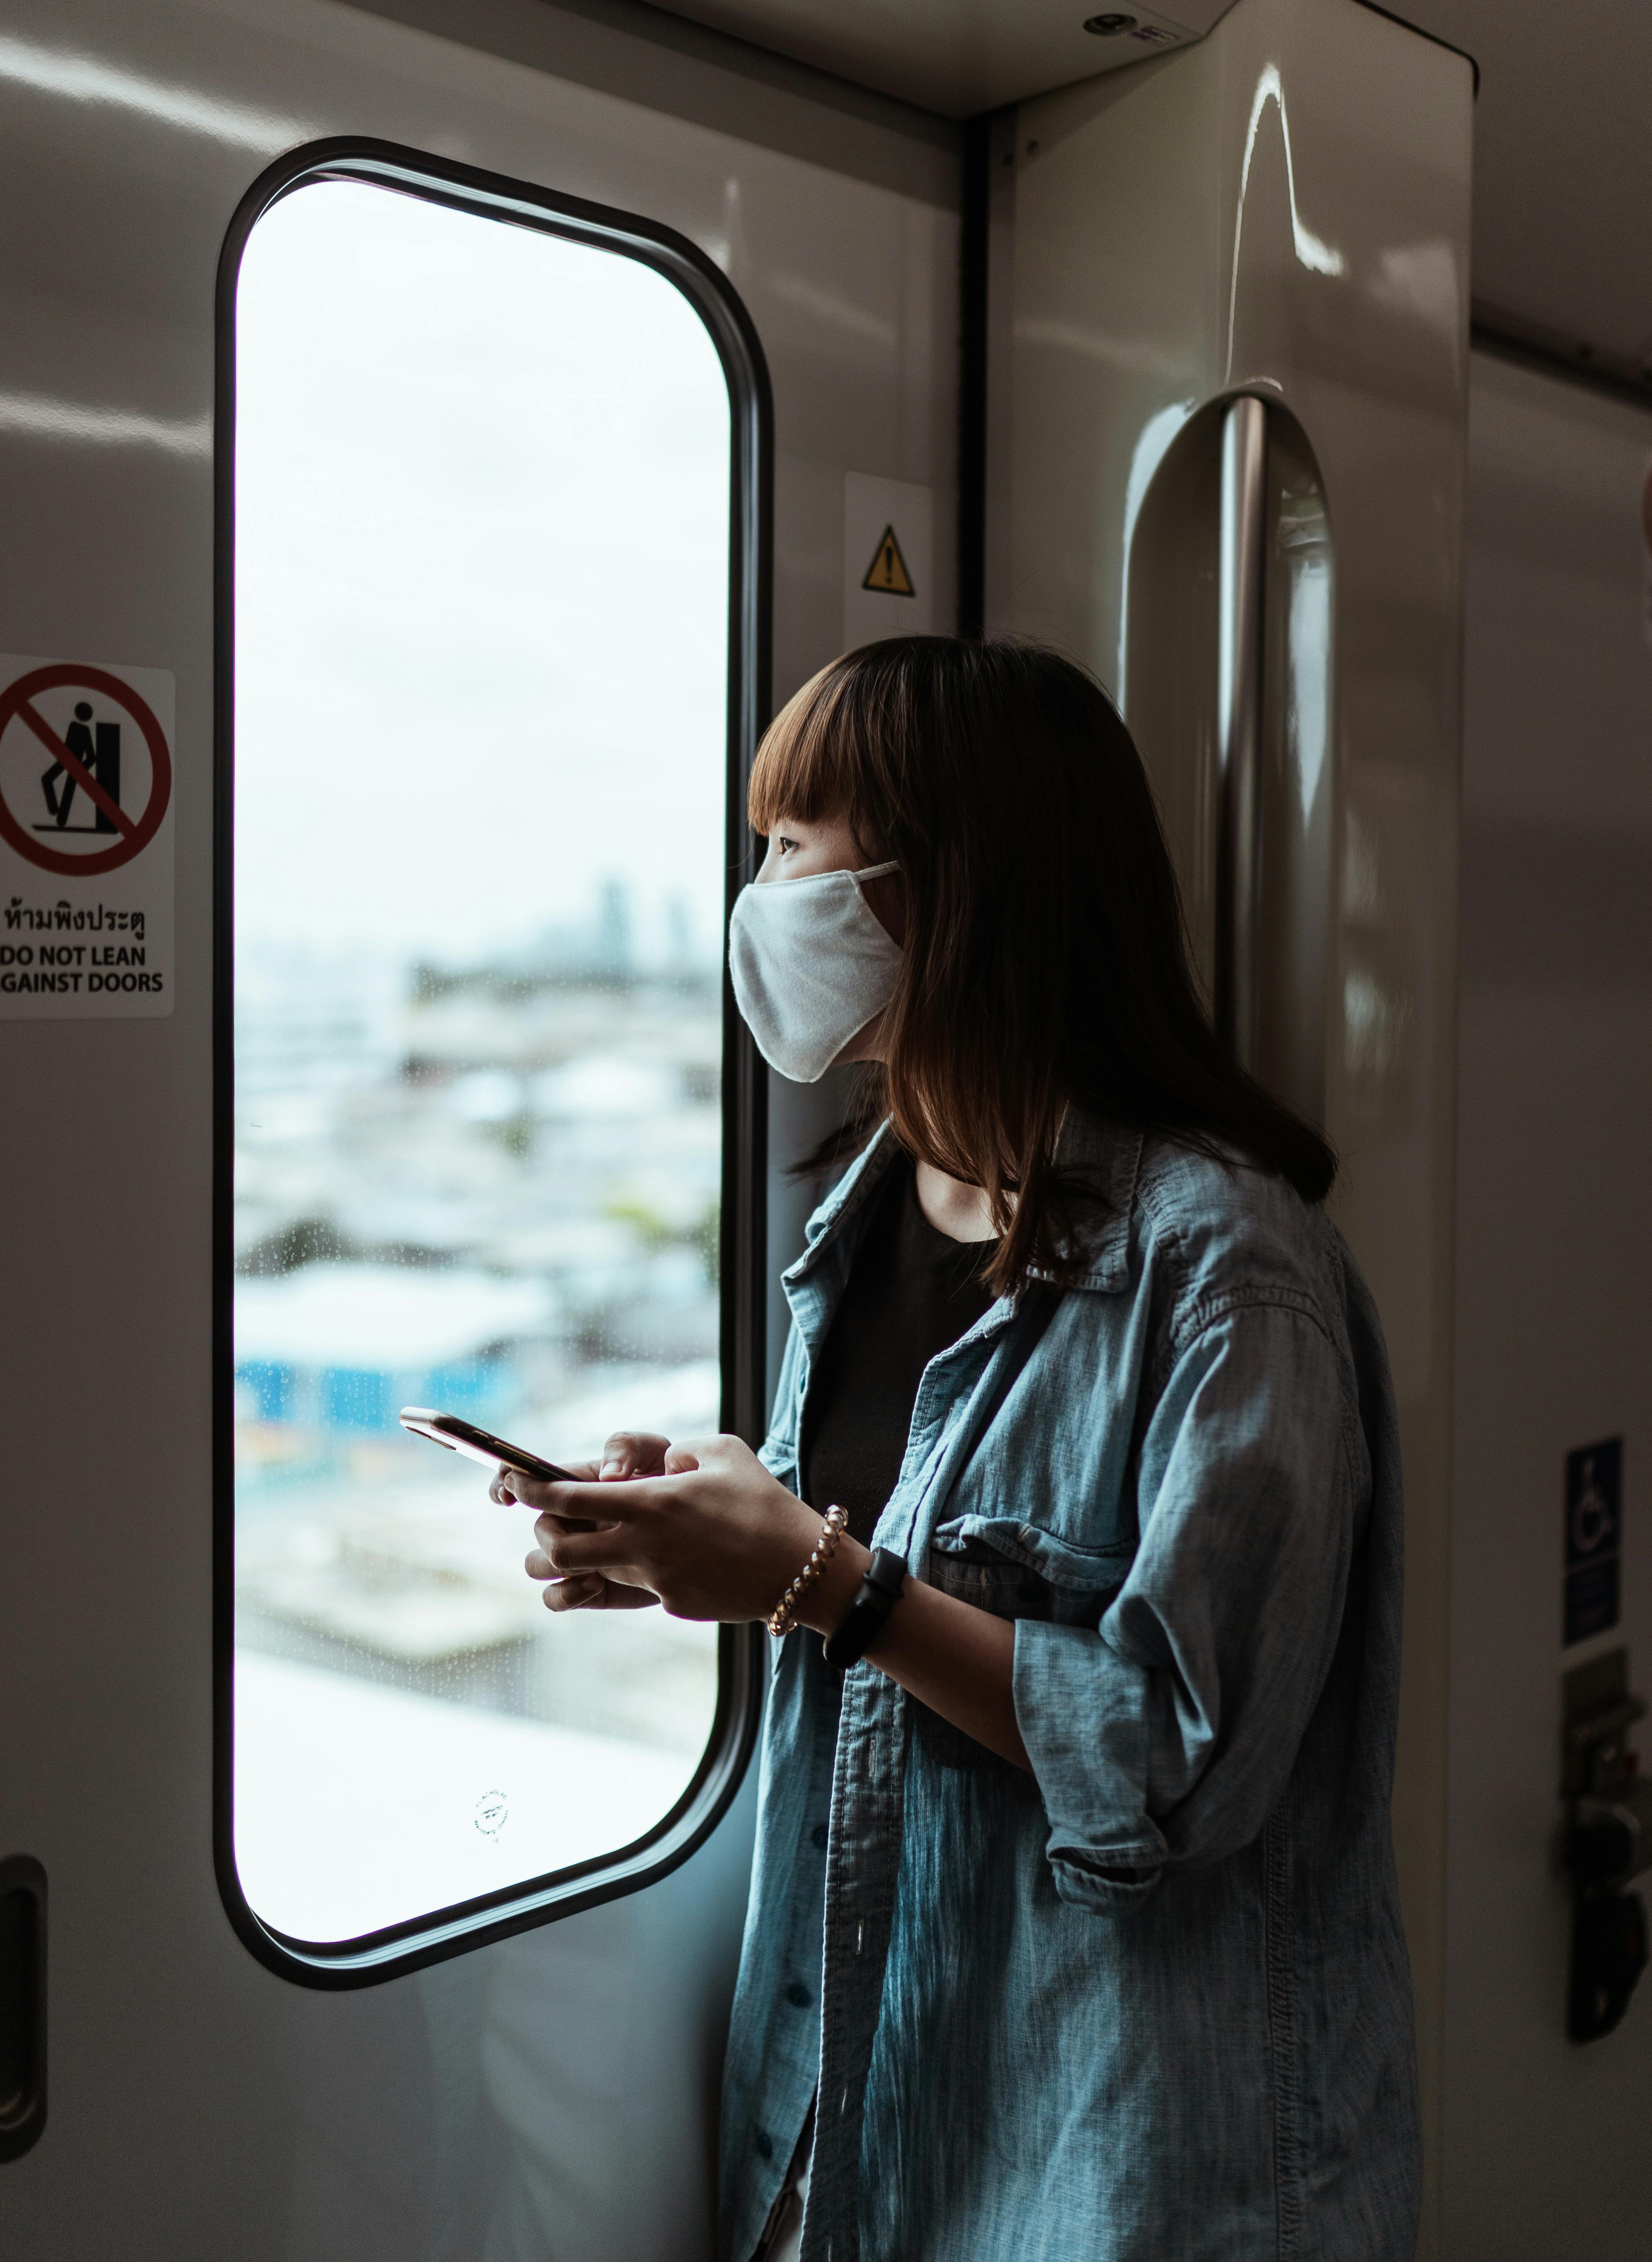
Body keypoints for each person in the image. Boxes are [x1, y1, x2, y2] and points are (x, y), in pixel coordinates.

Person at [495, 637, 1420, 2262]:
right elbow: (873, 1582)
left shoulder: (1226, 1267)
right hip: (865, 2097)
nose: (758, 895)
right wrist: (707, 1540)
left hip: (1126, 2160)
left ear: (948, 891)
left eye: (795, 848)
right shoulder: (869, 1213)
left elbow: (1178, 1766)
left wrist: (815, 1583)